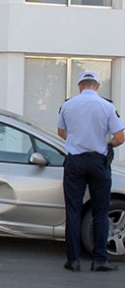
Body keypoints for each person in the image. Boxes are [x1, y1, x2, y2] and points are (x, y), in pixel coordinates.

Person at [57, 71, 125, 272]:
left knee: (73, 211)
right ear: (96, 86)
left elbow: (61, 132)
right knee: (101, 211)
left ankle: (73, 260)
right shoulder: (107, 106)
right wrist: (106, 144)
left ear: (79, 86)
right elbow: (120, 137)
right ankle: (100, 260)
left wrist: (76, 140)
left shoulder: (68, 105)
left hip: (75, 162)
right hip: (98, 162)